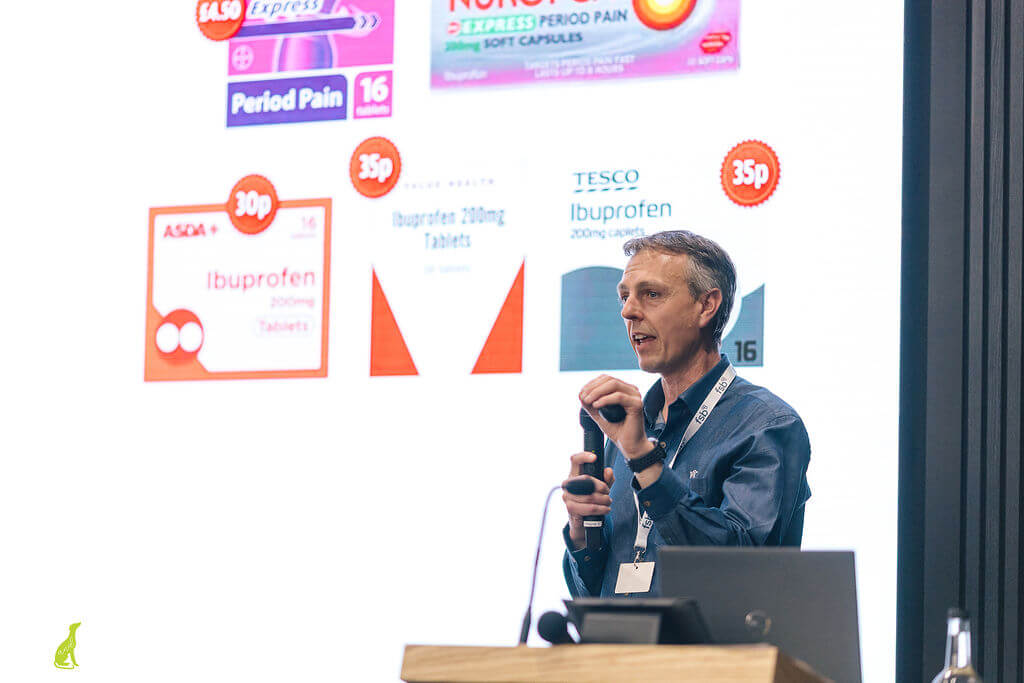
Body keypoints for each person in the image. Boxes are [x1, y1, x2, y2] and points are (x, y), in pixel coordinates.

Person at [562, 230, 811, 597]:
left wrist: (645, 462)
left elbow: (741, 569)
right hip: (618, 652)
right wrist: (582, 532)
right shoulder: (634, 430)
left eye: (651, 294)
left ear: (706, 306)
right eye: (624, 296)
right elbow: (593, 594)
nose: (628, 311)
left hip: (709, 654)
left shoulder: (766, 426)